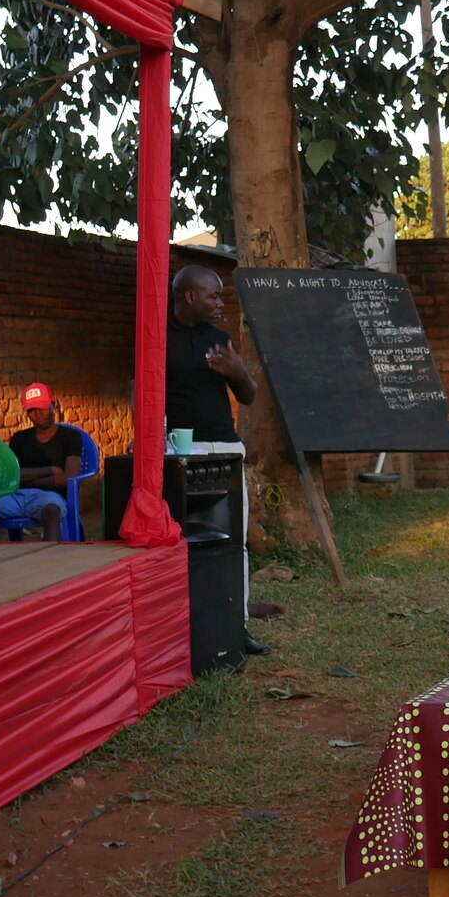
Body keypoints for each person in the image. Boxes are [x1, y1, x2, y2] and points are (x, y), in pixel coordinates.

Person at [166, 265, 270, 646]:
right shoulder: (158, 339)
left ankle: (236, 625)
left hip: (224, 447)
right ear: (190, 296)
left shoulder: (220, 339)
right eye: (213, 296)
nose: (219, 304)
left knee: (233, 540)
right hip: (179, 451)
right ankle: (180, 625)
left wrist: (238, 370)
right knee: (179, 542)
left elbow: (248, 395)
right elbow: (139, 392)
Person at [0, 383, 83, 541]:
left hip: (50, 496)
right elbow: (12, 475)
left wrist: (31, 480)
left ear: (54, 405)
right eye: (32, 410)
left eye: (42, 407)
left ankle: (49, 557)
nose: (38, 414)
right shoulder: (19, 438)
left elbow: (70, 476)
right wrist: (51, 470)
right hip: (17, 496)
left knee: (52, 510)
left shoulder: (70, 436)